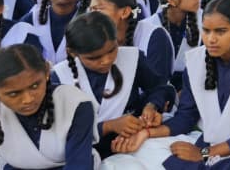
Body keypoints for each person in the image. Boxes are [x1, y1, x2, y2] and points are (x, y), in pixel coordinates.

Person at [107, 0, 230, 169]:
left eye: (221, 31)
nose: (211, 39)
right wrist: (147, 134)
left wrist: (205, 154)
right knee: (142, 149)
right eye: (206, 31)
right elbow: (186, 117)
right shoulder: (196, 61)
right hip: (209, 143)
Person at [52, 11, 173, 159]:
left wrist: (151, 106)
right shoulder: (60, 77)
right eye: (94, 58)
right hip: (84, 153)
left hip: (135, 142)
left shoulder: (132, 58)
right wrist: (108, 126)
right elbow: (58, 132)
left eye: (112, 50)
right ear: (73, 53)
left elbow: (159, 88)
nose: (107, 60)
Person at [0, 44, 98, 169]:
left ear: (47, 72)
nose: (28, 99)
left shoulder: (74, 104)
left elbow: (78, 165)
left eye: (35, 86)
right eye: (14, 93)